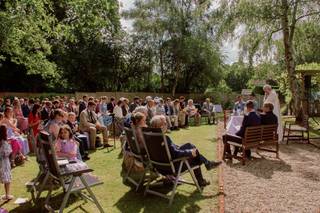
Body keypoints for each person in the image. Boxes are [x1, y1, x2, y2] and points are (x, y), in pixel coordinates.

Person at [150, 115, 221, 187]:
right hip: (172, 168)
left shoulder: (150, 138)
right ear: (160, 126)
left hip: (160, 167)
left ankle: (207, 165)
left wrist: (179, 148)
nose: (167, 125)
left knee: (189, 145)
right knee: (194, 156)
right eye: (165, 123)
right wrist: (189, 152)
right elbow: (175, 153)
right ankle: (204, 173)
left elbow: (169, 151)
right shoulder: (164, 139)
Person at [0, 125, 13, 201]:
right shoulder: (4, 143)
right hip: (4, 163)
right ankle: (7, 195)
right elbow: (7, 153)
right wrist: (9, 145)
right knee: (7, 180)